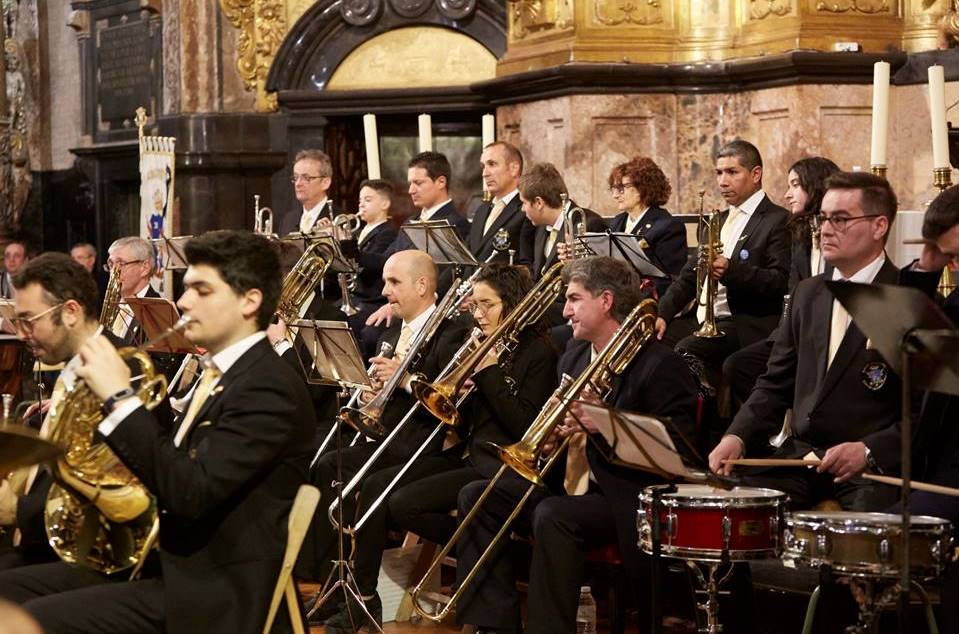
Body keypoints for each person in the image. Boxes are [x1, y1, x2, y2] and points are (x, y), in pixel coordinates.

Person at [0, 231, 316, 634]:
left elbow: (189, 492)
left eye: (201, 290)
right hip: (165, 567)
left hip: (213, 591)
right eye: (186, 289)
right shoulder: (230, 375)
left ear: (249, 301)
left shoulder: (267, 386)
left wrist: (120, 400)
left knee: (29, 621)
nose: (183, 302)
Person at [455, 257, 698, 634]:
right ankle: (496, 625)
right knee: (478, 496)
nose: (565, 311)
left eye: (573, 299)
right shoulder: (572, 355)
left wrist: (604, 424)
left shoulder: (660, 363)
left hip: (623, 494)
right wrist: (552, 439)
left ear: (605, 301)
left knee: (553, 514)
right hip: (569, 483)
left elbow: (676, 454)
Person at [322, 263, 558, 633]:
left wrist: (489, 375)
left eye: (487, 305)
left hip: (503, 464)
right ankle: (492, 553)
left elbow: (523, 425)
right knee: (397, 499)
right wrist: (460, 396)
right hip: (468, 455)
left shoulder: (538, 352)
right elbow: (458, 419)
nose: (477, 315)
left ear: (512, 304)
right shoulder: (480, 344)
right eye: (474, 306)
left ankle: (503, 556)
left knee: (402, 498)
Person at [709, 171, 902, 511]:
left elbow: (927, 415)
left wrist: (870, 450)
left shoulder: (907, 299)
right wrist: (737, 435)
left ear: (879, 226)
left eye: (840, 219)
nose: (825, 229)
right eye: (823, 218)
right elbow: (775, 383)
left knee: (859, 535)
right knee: (731, 509)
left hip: (869, 470)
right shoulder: (808, 293)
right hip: (801, 458)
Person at [299, 250, 468, 594]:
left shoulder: (451, 334)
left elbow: (449, 405)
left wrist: (404, 380)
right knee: (329, 464)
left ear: (422, 285)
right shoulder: (390, 334)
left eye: (393, 282)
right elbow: (378, 395)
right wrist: (368, 397)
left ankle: (363, 592)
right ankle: (330, 578)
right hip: (388, 439)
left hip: (426, 445)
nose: (385, 291)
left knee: (375, 485)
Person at [0, 254, 116, 573]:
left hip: (87, 556)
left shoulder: (118, 369)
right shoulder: (78, 363)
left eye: (29, 321)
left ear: (70, 312)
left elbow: (93, 494)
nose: (21, 334)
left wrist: (17, 510)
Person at [654, 140, 790, 379]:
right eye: (719, 173)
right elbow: (689, 277)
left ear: (756, 174)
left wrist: (731, 271)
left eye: (732, 172)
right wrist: (662, 314)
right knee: (653, 345)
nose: (722, 181)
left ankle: (702, 404)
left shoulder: (778, 220)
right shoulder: (719, 219)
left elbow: (780, 281)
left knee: (687, 351)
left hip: (743, 322)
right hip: (702, 318)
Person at [722, 157, 840, 408]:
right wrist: (781, 340)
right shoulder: (801, 236)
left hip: (827, 336)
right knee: (738, 365)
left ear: (817, 186)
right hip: (794, 335)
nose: (787, 195)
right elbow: (792, 294)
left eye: (795, 185)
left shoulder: (840, 237)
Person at [606, 156, 687, 297]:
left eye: (622, 188)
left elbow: (668, 282)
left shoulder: (669, 227)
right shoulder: (617, 222)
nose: (615, 195)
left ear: (642, 188)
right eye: (614, 189)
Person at [516, 162, 606, 281]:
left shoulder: (589, 224)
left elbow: (597, 279)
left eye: (524, 203)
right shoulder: (541, 227)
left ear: (539, 203)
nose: (522, 209)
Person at [468, 142, 533, 263]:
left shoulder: (526, 209)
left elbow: (526, 263)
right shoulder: (481, 210)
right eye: (483, 167)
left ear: (514, 168)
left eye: (492, 164)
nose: (485, 173)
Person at [103, 236, 159, 344]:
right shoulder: (110, 304)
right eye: (111, 264)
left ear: (145, 268)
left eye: (121, 264)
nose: (113, 271)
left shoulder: (158, 312)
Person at [279, 149, 335, 236]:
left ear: (325, 183)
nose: (298, 184)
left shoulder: (341, 220)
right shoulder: (288, 220)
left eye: (306, 178)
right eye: (295, 177)